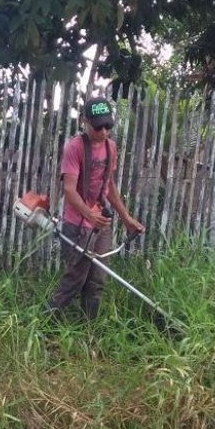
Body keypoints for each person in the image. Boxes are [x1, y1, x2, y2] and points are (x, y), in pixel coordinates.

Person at [45, 97, 145, 320]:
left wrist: (127, 219)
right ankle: (44, 323)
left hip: (101, 224)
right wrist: (89, 214)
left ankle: (88, 330)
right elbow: (70, 190)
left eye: (108, 126)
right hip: (77, 222)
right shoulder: (75, 147)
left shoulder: (111, 148)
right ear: (85, 122)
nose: (103, 132)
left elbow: (108, 185)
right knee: (75, 278)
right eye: (98, 126)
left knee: (97, 279)